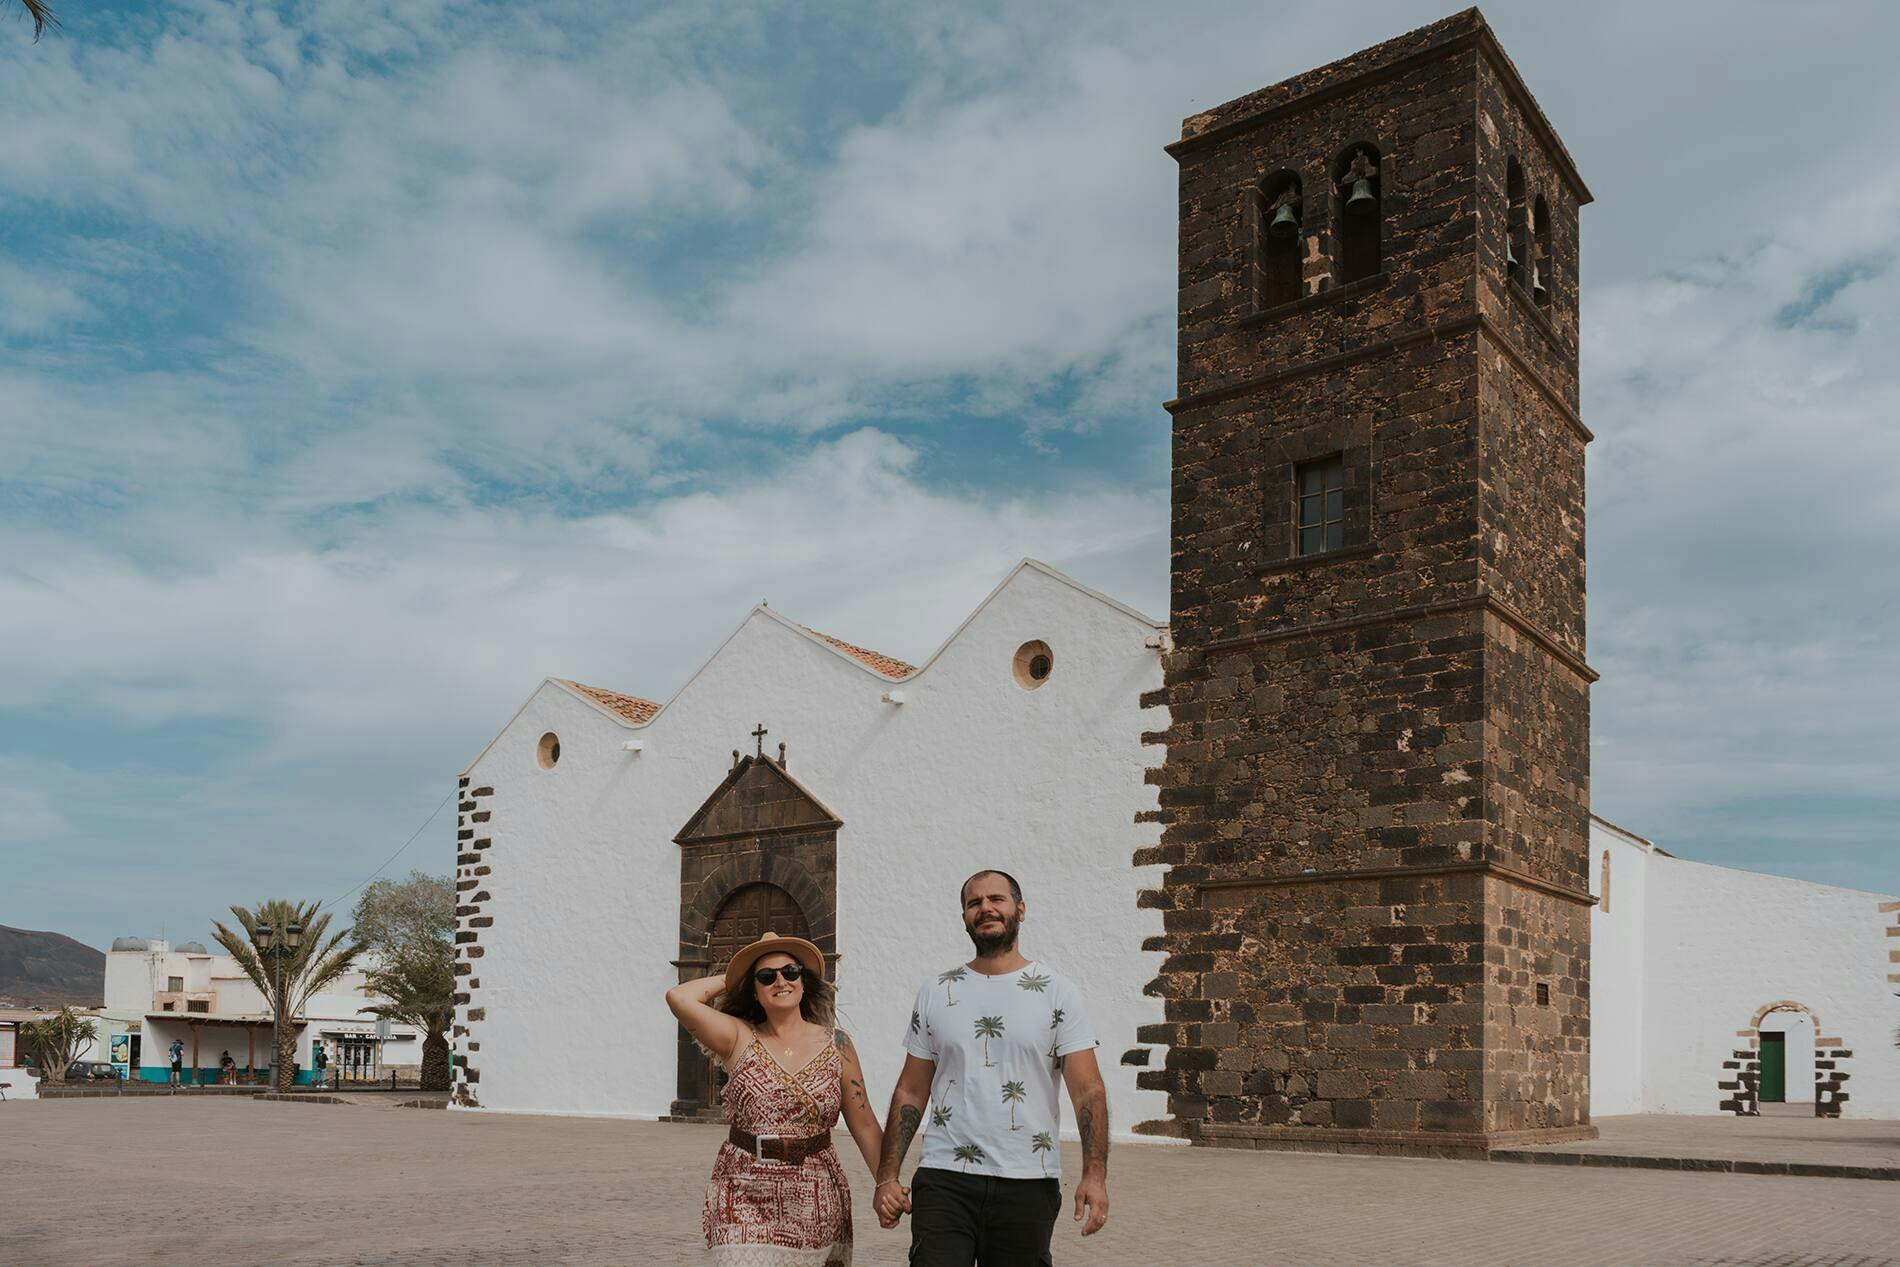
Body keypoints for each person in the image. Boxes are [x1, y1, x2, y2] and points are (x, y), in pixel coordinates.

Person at [874, 869, 1110, 1264]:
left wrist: (1095, 1175)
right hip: (944, 1176)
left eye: (996, 899)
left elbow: (1088, 1091)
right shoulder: (936, 991)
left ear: (1020, 909)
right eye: (974, 902)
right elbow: (910, 1090)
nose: (985, 908)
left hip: (1029, 1180)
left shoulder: (1058, 992)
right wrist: (887, 1175)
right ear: (965, 917)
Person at [666, 931, 886, 1265]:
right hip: (742, 1187)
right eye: (766, 976)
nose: (780, 980)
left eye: (790, 972)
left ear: (803, 981)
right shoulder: (737, 1036)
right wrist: (735, 975)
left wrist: (888, 1180)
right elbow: (680, 998)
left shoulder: (837, 1045)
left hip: (814, 1191)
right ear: (754, 990)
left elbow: (865, 1122)